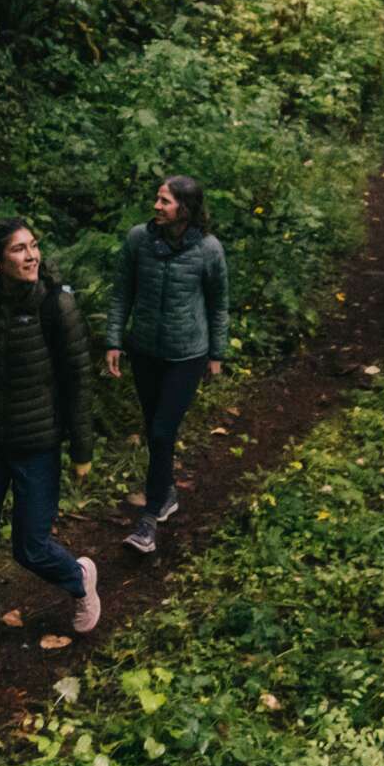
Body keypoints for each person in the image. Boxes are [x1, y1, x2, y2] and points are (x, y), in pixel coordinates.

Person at [0, 217, 103, 685]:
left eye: (33, 247)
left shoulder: (56, 304)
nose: (31, 257)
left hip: (37, 445)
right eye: (18, 250)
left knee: (30, 547)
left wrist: (81, 448)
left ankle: (78, 579)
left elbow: (78, 379)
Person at [105, 174, 229, 554]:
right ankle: (168, 491)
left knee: (161, 432)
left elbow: (218, 303)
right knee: (156, 431)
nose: (156, 206)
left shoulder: (208, 249)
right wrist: (114, 340)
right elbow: (122, 291)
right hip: (144, 351)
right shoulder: (138, 240)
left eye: (165, 201)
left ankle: (148, 521)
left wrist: (217, 353)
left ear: (185, 209)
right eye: (157, 200)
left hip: (186, 354)